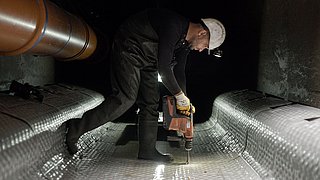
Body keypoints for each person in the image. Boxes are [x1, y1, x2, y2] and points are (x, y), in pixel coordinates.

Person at [65, 8, 226, 162]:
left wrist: (184, 103)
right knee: (125, 98)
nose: (201, 50)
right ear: (202, 33)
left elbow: (179, 73)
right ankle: (75, 128)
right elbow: (164, 69)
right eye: (205, 46)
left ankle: (147, 151)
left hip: (149, 60)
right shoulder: (173, 25)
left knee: (151, 102)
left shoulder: (185, 44)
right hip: (129, 50)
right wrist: (179, 95)